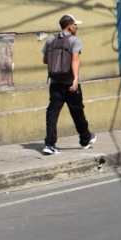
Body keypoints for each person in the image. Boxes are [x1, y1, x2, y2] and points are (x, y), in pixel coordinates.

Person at [42, 14, 96, 155]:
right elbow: (75, 60)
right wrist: (75, 79)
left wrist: (57, 64)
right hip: (70, 83)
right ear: (69, 26)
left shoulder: (50, 40)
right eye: (75, 25)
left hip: (55, 83)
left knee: (52, 113)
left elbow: (45, 60)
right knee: (77, 112)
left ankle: (49, 144)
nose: (77, 27)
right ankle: (85, 139)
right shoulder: (74, 40)